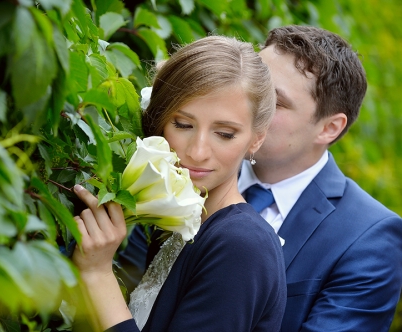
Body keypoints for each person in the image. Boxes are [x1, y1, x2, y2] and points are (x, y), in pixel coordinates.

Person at [119, 25, 402, 332]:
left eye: (273, 100)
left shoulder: (369, 238)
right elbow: (132, 284)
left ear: (329, 128)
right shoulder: (184, 171)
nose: (246, 99)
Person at [71, 36, 287, 332]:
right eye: (183, 125)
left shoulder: (241, 245)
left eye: (224, 133)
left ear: (256, 138)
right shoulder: (179, 221)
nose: (197, 151)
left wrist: (97, 273)